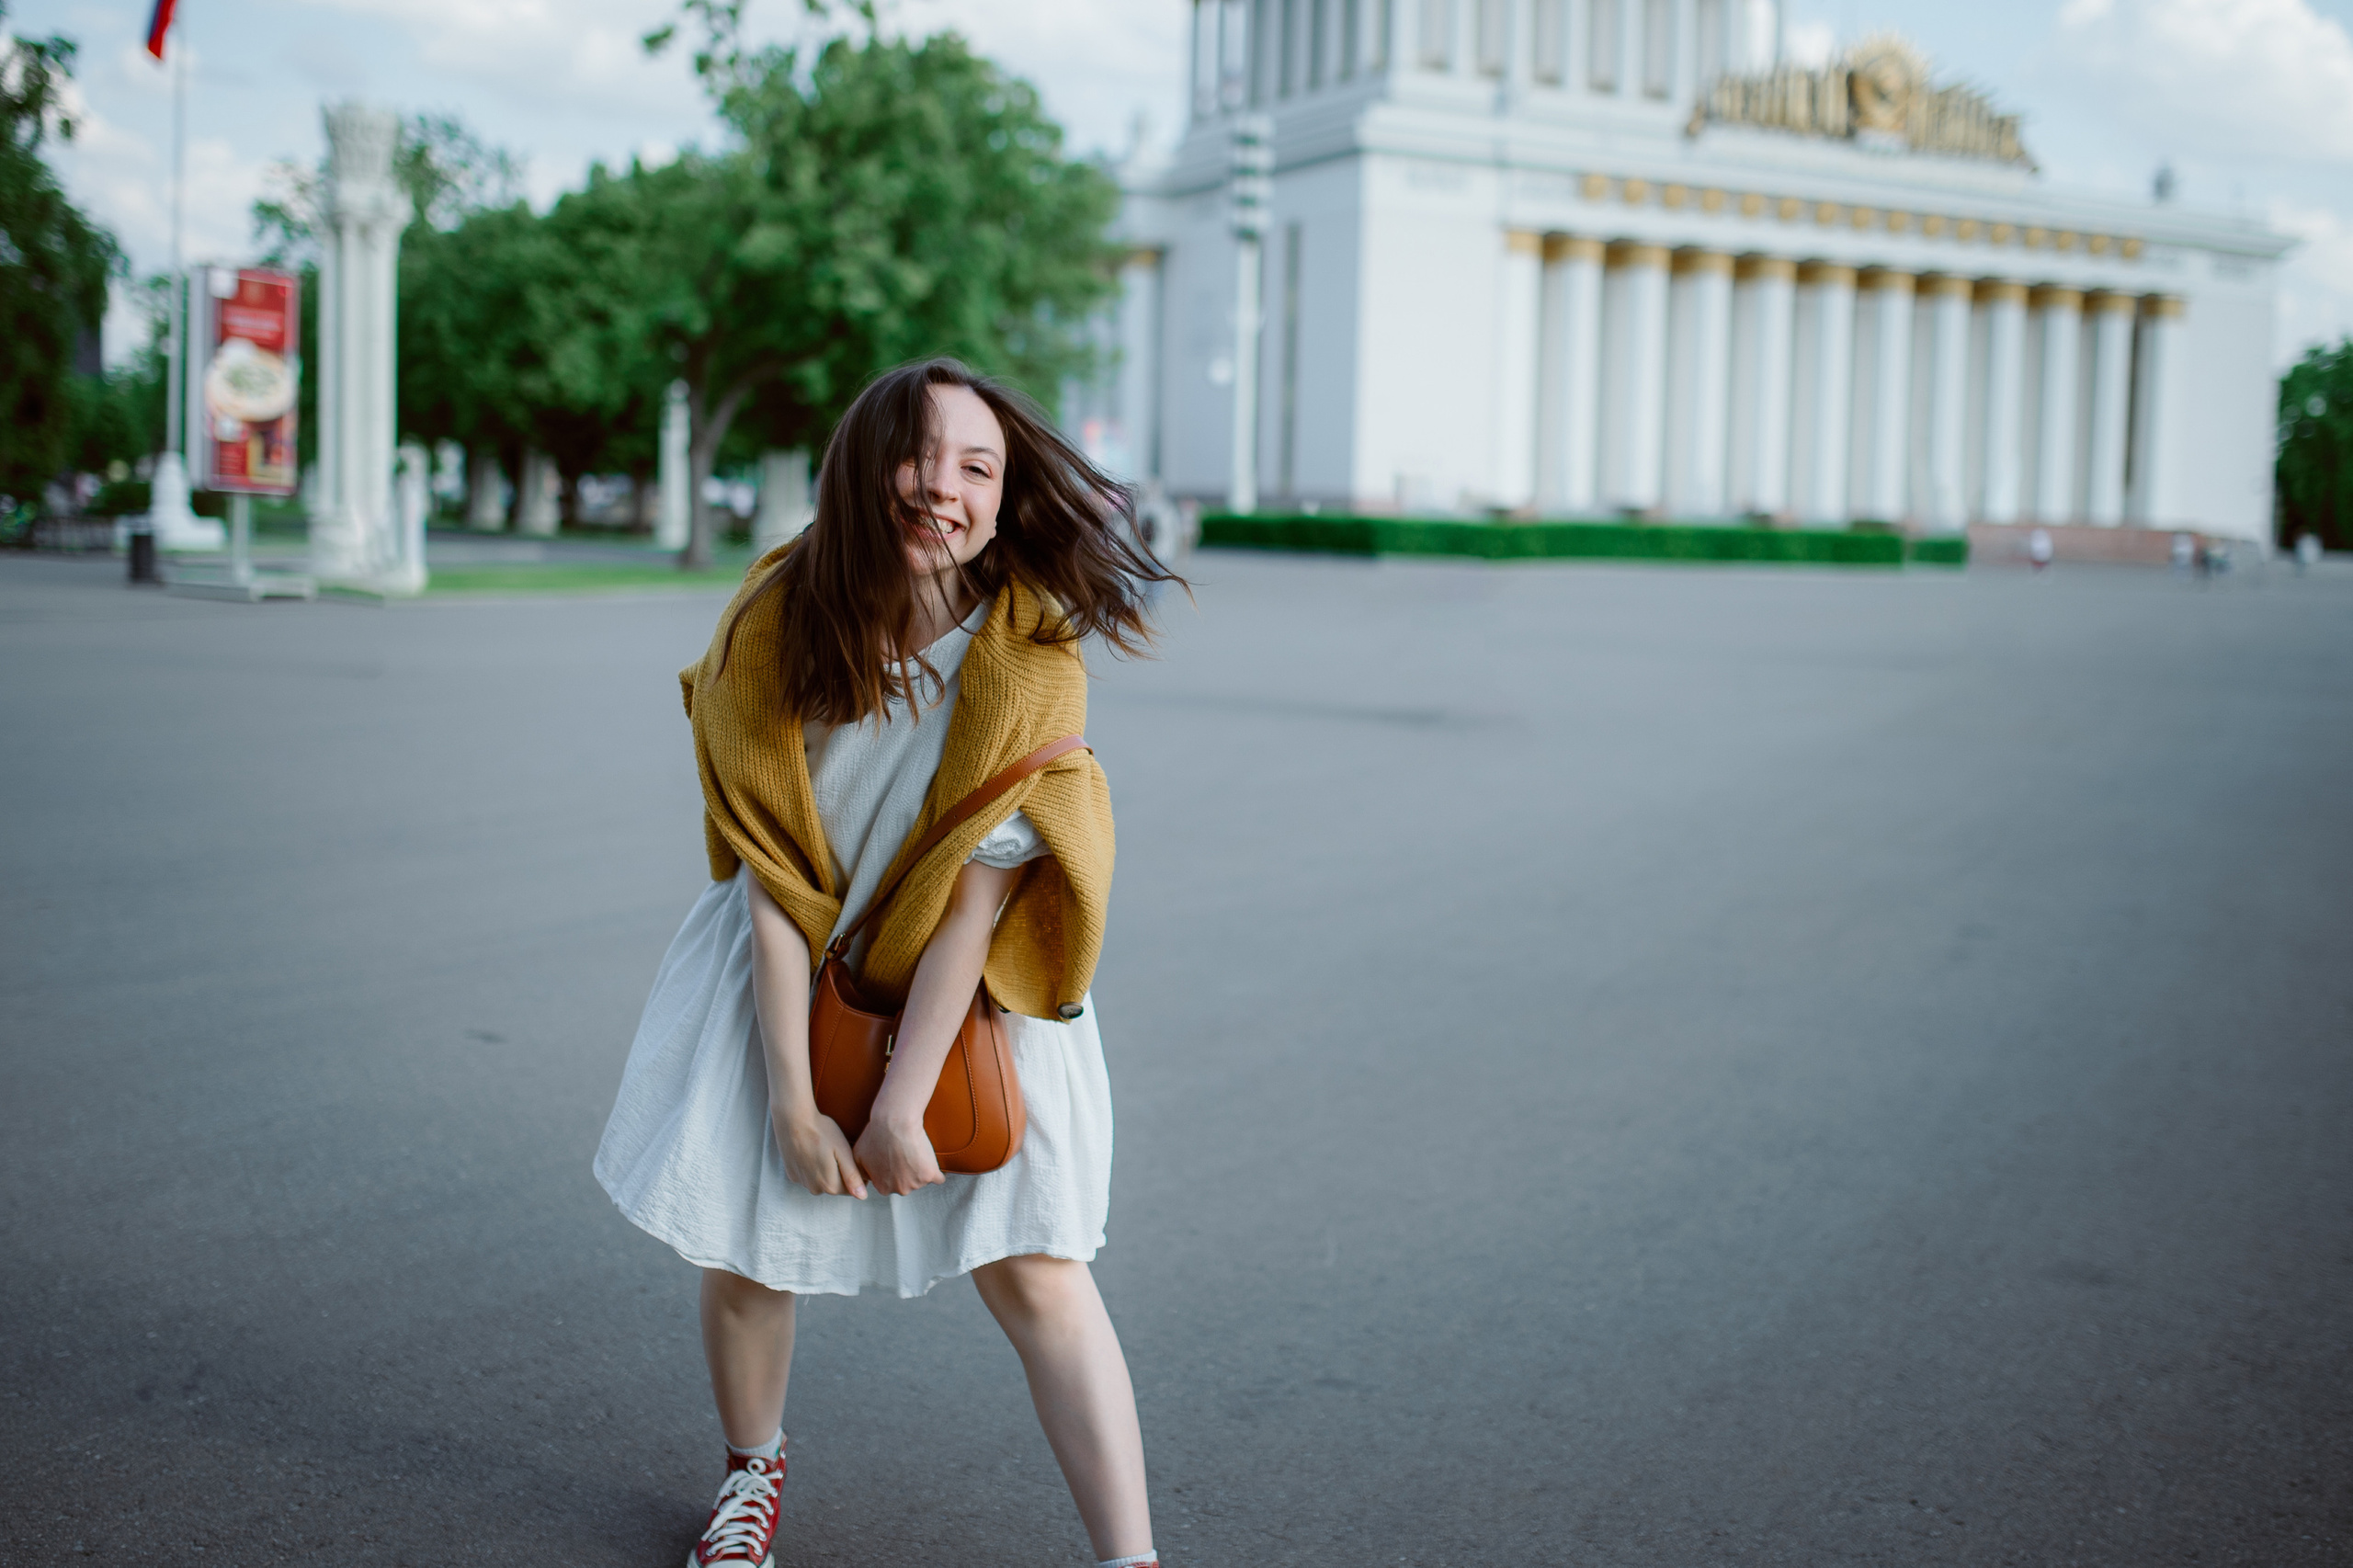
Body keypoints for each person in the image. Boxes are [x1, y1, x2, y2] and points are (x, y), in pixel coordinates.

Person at [595, 358, 1181, 1568]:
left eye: (979, 467)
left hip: (974, 998)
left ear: (1005, 494)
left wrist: (901, 1104)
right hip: (783, 971)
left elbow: (976, 903)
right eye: (920, 456)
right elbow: (771, 880)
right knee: (750, 1244)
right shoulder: (777, 619)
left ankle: (1131, 1557)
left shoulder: (1027, 652)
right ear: (864, 465)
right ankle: (751, 1477)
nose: (945, 488)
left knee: (1039, 1271)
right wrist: (800, 1106)